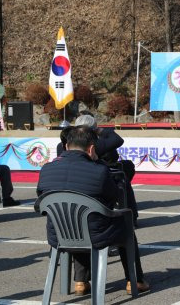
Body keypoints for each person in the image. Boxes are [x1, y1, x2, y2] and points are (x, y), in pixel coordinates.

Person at [37, 126, 149, 295]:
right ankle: (135, 280)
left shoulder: (46, 169)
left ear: (67, 147)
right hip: (95, 234)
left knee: (75, 222)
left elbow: (41, 200)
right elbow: (112, 199)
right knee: (122, 225)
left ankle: (81, 281)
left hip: (58, 234)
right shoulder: (99, 170)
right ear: (91, 149)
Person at [74, 114, 139, 226]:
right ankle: (131, 217)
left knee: (127, 165)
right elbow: (117, 139)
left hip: (77, 175)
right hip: (98, 174)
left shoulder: (66, 144)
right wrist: (101, 130)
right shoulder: (95, 144)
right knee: (123, 178)